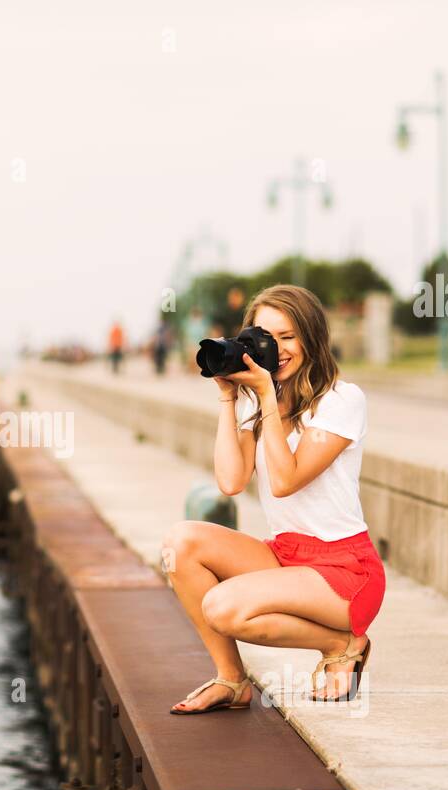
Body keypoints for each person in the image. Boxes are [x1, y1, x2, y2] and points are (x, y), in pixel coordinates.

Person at [162, 284, 385, 712]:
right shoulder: (259, 399)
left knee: (223, 608)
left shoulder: (341, 400)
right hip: (287, 555)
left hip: (345, 572)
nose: (277, 349)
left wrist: (266, 397)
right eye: (264, 338)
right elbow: (230, 480)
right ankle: (231, 681)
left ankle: (343, 643)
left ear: (312, 338)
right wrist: (230, 397)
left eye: (288, 337)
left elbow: (285, 480)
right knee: (181, 543)